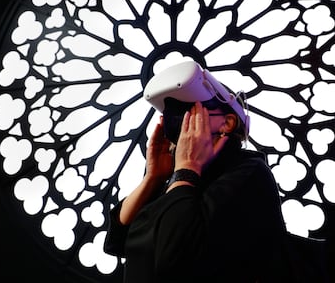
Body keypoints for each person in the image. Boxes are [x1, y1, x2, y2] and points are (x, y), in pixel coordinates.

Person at [104, 61, 292, 282]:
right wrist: (153, 178)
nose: (176, 122)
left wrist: (187, 168)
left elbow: (176, 257)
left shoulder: (248, 172)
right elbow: (118, 241)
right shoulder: (177, 182)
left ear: (227, 122)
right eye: (169, 114)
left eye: (188, 111)